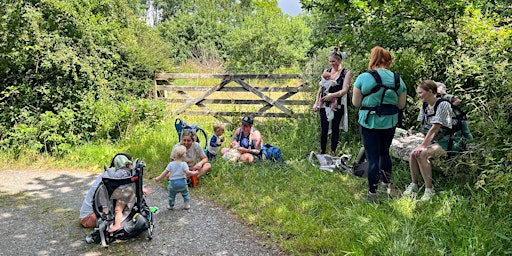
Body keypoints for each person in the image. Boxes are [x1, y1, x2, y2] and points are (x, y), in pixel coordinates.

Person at [352, 46, 407, 200]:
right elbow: (401, 105)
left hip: (369, 122)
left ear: (373, 59)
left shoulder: (364, 77)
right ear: (388, 60)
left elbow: (356, 102)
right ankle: (386, 186)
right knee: (384, 153)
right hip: (389, 122)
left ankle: (372, 193)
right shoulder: (397, 79)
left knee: (372, 157)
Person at [403, 80, 458, 201]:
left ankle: (429, 190)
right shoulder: (424, 106)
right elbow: (425, 127)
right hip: (435, 141)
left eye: (420, 92)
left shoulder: (443, 104)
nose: (419, 95)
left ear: (430, 92)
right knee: (413, 154)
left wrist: (423, 146)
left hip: (449, 141)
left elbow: (435, 128)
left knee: (422, 154)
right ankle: (414, 185)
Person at [79, 153, 153, 229]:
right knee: (123, 204)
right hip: (88, 218)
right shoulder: (109, 178)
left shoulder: (111, 175)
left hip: (93, 213)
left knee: (125, 200)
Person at [313, 47, 351, 155]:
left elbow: (345, 90)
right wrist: (316, 103)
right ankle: (322, 151)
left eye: (333, 61)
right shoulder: (327, 71)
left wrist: (332, 95)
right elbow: (320, 88)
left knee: (335, 129)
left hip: (337, 104)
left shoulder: (346, 73)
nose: (331, 64)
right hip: (324, 103)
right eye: (330, 61)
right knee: (324, 128)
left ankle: (333, 151)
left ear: (340, 60)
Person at [154, 145, 198, 210]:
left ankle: (171, 205)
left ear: (174, 155)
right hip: (182, 183)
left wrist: (158, 178)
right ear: (184, 155)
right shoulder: (184, 164)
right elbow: (188, 172)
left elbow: (165, 172)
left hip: (173, 184)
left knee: (171, 195)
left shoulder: (171, 164)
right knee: (185, 194)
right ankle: (187, 205)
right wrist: (195, 173)